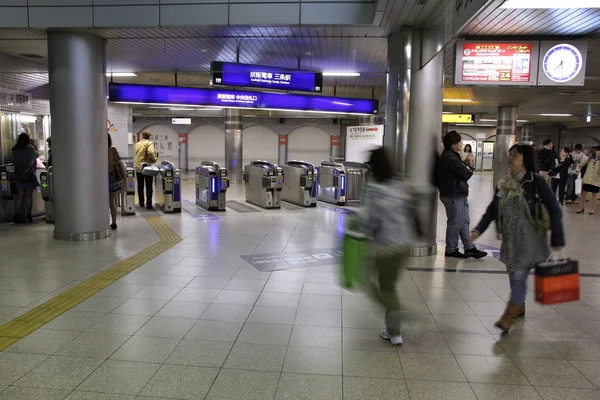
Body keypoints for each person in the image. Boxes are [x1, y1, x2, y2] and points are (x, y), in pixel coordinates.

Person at [471, 144, 564, 333]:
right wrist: (478, 230)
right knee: (514, 274)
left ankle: (508, 315)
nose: (511, 158)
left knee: (519, 276)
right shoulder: (505, 183)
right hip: (511, 239)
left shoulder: (536, 181)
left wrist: (557, 238)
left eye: (516, 155)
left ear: (526, 159)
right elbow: (492, 210)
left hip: (530, 239)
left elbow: (554, 209)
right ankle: (519, 304)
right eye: (510, 154)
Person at [357, 147, 415, 346]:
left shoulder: (374, 189)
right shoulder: (399, 185)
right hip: (404, 244)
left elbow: (368, 219)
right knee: (388, 286)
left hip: (385, 247)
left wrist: (357, 228)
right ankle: (394, 328)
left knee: (366, 280)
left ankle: (396, 320)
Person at [437, 131, 487, 259]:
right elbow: (465, 173)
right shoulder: (449, 157)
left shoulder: (453, 155)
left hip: (459, 193)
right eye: (460, 141)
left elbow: (463, 170)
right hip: (453, 195)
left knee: (464, 222)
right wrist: (470, 165)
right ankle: (451, 249)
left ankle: (469, 247)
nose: (462, 143)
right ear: (454, 144)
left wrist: (467, 165)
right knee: (455, 222)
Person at [12, 132, 39, 224]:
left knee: (19, 196)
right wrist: (33, 145)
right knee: (28, 196)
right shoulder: (31, 149)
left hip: (19, 176)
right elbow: (37, 155)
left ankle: (17, 215)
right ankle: (28, 214)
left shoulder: (15, 149)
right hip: (29, 176)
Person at [134, 130, 157, 209]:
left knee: (140, 185)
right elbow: (150, 152)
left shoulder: (137, 144)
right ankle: (149, 204)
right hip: (147, 167)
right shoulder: (149, 143)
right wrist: (154, 159)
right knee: (149, 186)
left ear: (142, 136)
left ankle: (141, 202)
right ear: (149, 136)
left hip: (138, 167)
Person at [576, 146, 600, 215]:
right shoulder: (589, 159)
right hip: (587, 178)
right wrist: (578, 168)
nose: (599, 152)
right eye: (598, 150)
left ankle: (592, 209)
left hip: (596, 180)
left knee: (594, 195)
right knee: (583, 194)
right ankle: (581, 208)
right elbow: (580, 164)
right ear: (595, 151)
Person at [108, 134, 122, 230]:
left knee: (101, 202)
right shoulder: (113, 150)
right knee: (112, 202)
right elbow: (119, 161)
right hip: (113, 177)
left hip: (100, 178)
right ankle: (113, 222)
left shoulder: (97, 150)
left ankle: (102, 221)